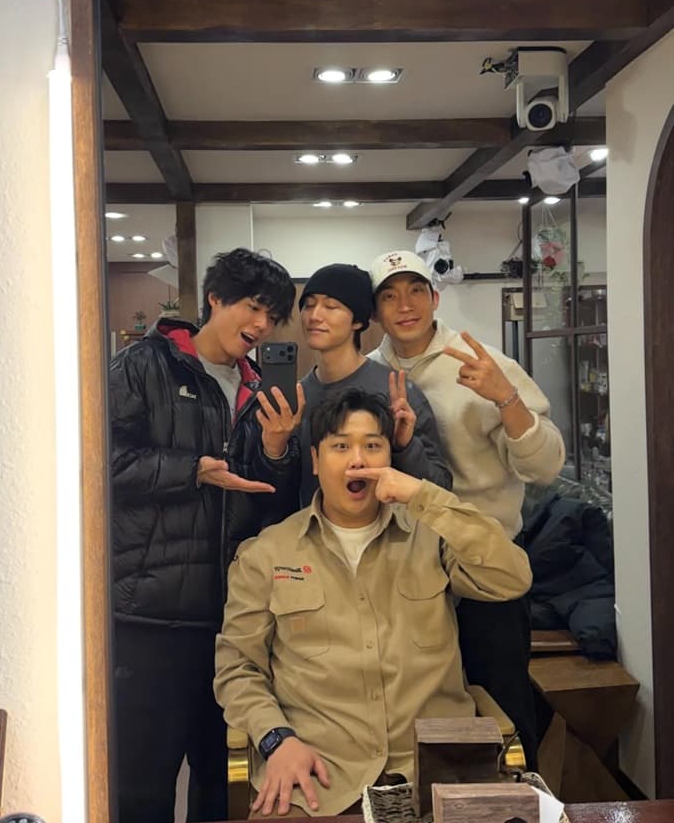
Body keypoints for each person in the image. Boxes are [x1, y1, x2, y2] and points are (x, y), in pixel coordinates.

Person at [214, 388, 532, 818]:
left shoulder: (431, 535)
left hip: (438, 773)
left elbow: (512, 577)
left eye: (372, 445)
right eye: (341, 446)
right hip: (317, 778)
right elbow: (238, 667)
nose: (358, 461)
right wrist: (276, 739)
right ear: (315, 460)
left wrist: (424, 495)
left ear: (389, 457)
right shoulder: (267, 553)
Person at [109, 247, 304, 823]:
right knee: (143, 784)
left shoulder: (257, 388)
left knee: (225, 783)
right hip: (151, 616)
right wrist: (191, 469)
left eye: (272, 316)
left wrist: (276, 450)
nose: (261, 325)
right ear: (215, 298)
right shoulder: (144, 365)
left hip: (232, 621)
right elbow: (98, 465)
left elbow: (270, 503)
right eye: (252, 307)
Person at [367, 249, 566, 770]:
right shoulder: (368, 374)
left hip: (483, 564)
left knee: (503, 705)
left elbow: (546, 466)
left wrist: (506, 399)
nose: (404, 305)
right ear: (375, 312)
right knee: (420, 710)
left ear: (435, 297)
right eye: (389, 295)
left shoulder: (482, 364)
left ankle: (520, 798)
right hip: (403, 574)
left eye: (416, 290)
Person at [297, 262, 452, 504]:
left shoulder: (396, 391)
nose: (315, 316)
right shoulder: (298, 396)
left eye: (331, 306)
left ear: (357, 321)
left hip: (387, 526)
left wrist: (405, 446)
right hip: (312, 526)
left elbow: (440, 489)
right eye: (308, 305)